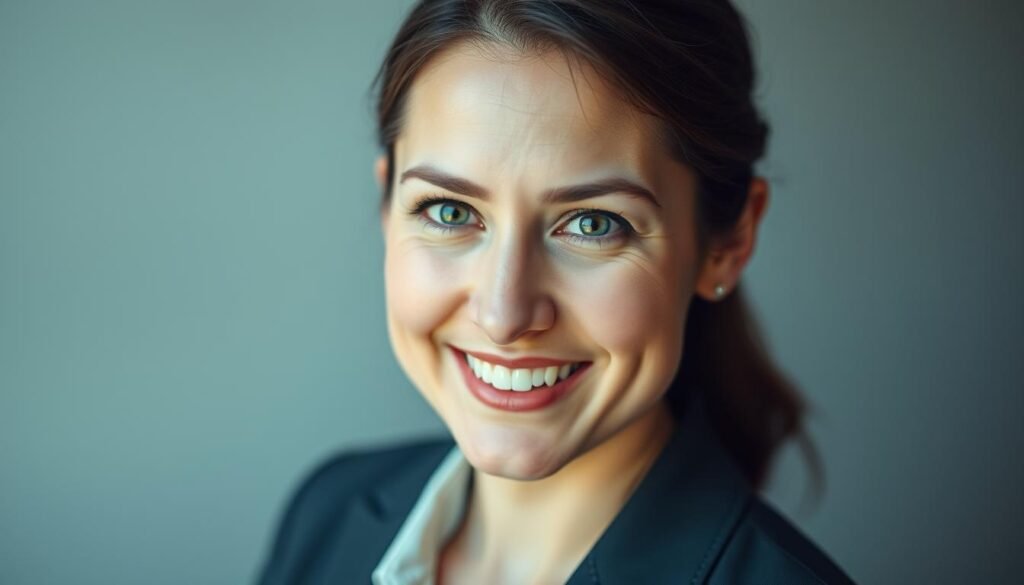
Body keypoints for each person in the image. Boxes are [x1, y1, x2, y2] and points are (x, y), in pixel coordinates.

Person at [258, 1, 856, 583]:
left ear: (728, 241)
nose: (504, 314)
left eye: (593, 224)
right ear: (388, 207)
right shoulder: (327, 513)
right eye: (448, 211)